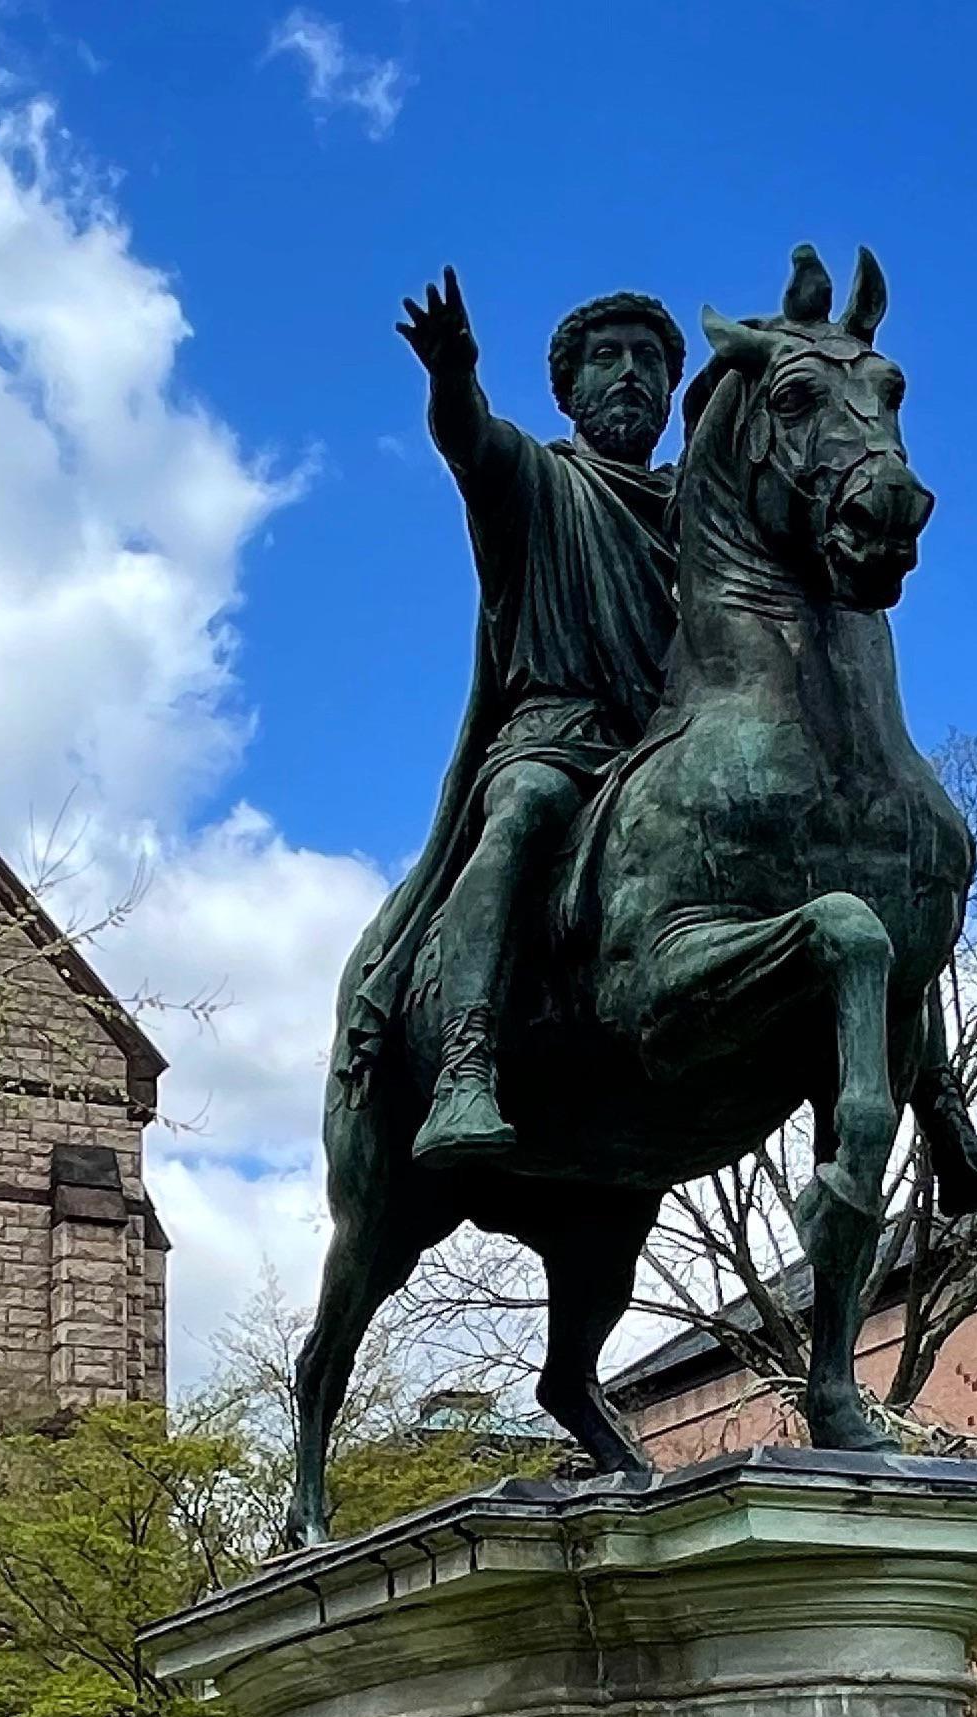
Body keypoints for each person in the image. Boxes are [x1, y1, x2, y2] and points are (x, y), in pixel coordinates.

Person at [338, 270, 685, 1166]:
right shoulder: (534, 479)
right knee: (524, 808)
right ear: (568, 391)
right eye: (605, 358)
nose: (629, 374)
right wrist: (452, 376)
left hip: (668, 745)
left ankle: (935, 1103)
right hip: (555, 736)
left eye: (647, 359)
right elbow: (469, 441)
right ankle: (464, 1062)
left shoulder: (696, 509)